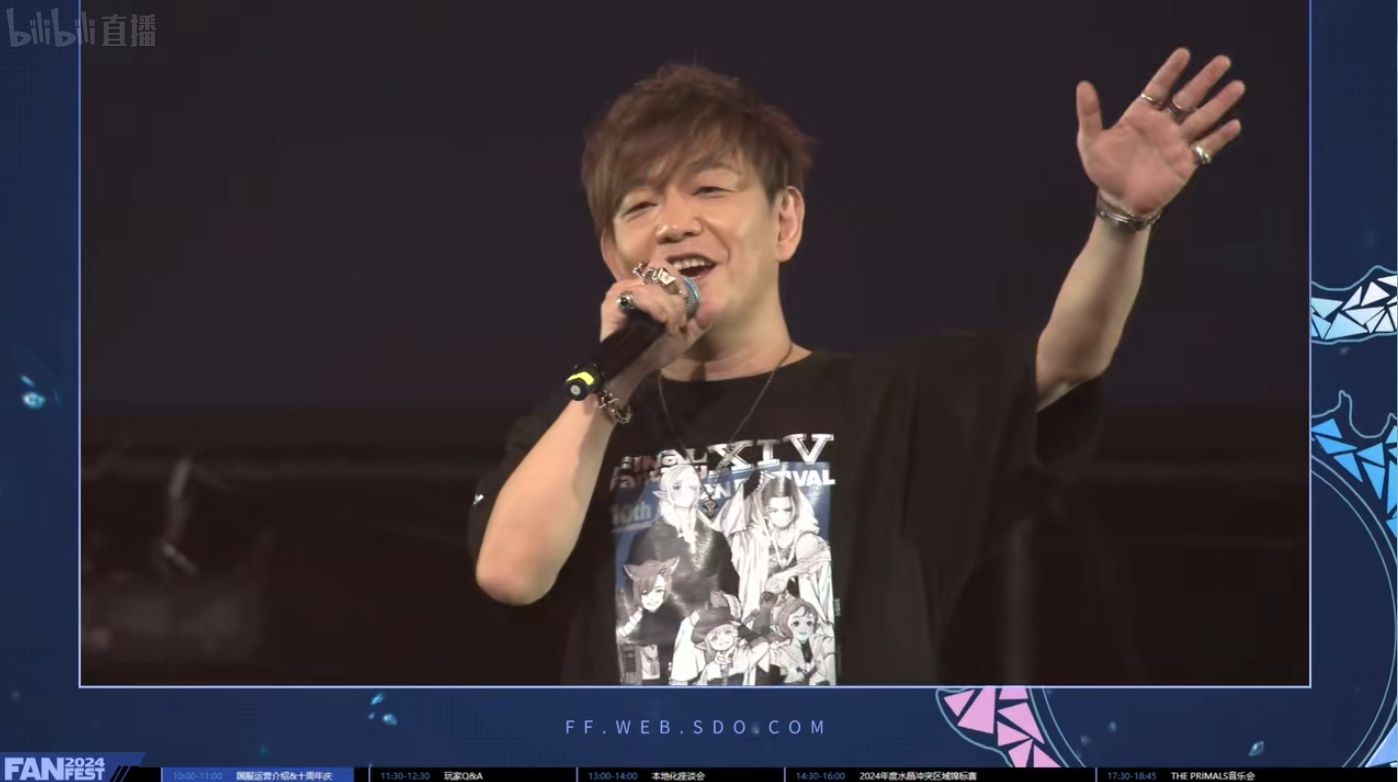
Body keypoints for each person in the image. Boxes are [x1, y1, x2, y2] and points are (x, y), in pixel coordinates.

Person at [468, 51, 1245, 684]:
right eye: (640, 207)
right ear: (614, 255)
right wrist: (614, 385)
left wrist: (1122, 218)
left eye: (708, 188)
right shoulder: (576, 430)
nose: (673, 224)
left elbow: (1070, 358)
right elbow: (510, 574)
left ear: (785, 221)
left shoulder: (894, 401)